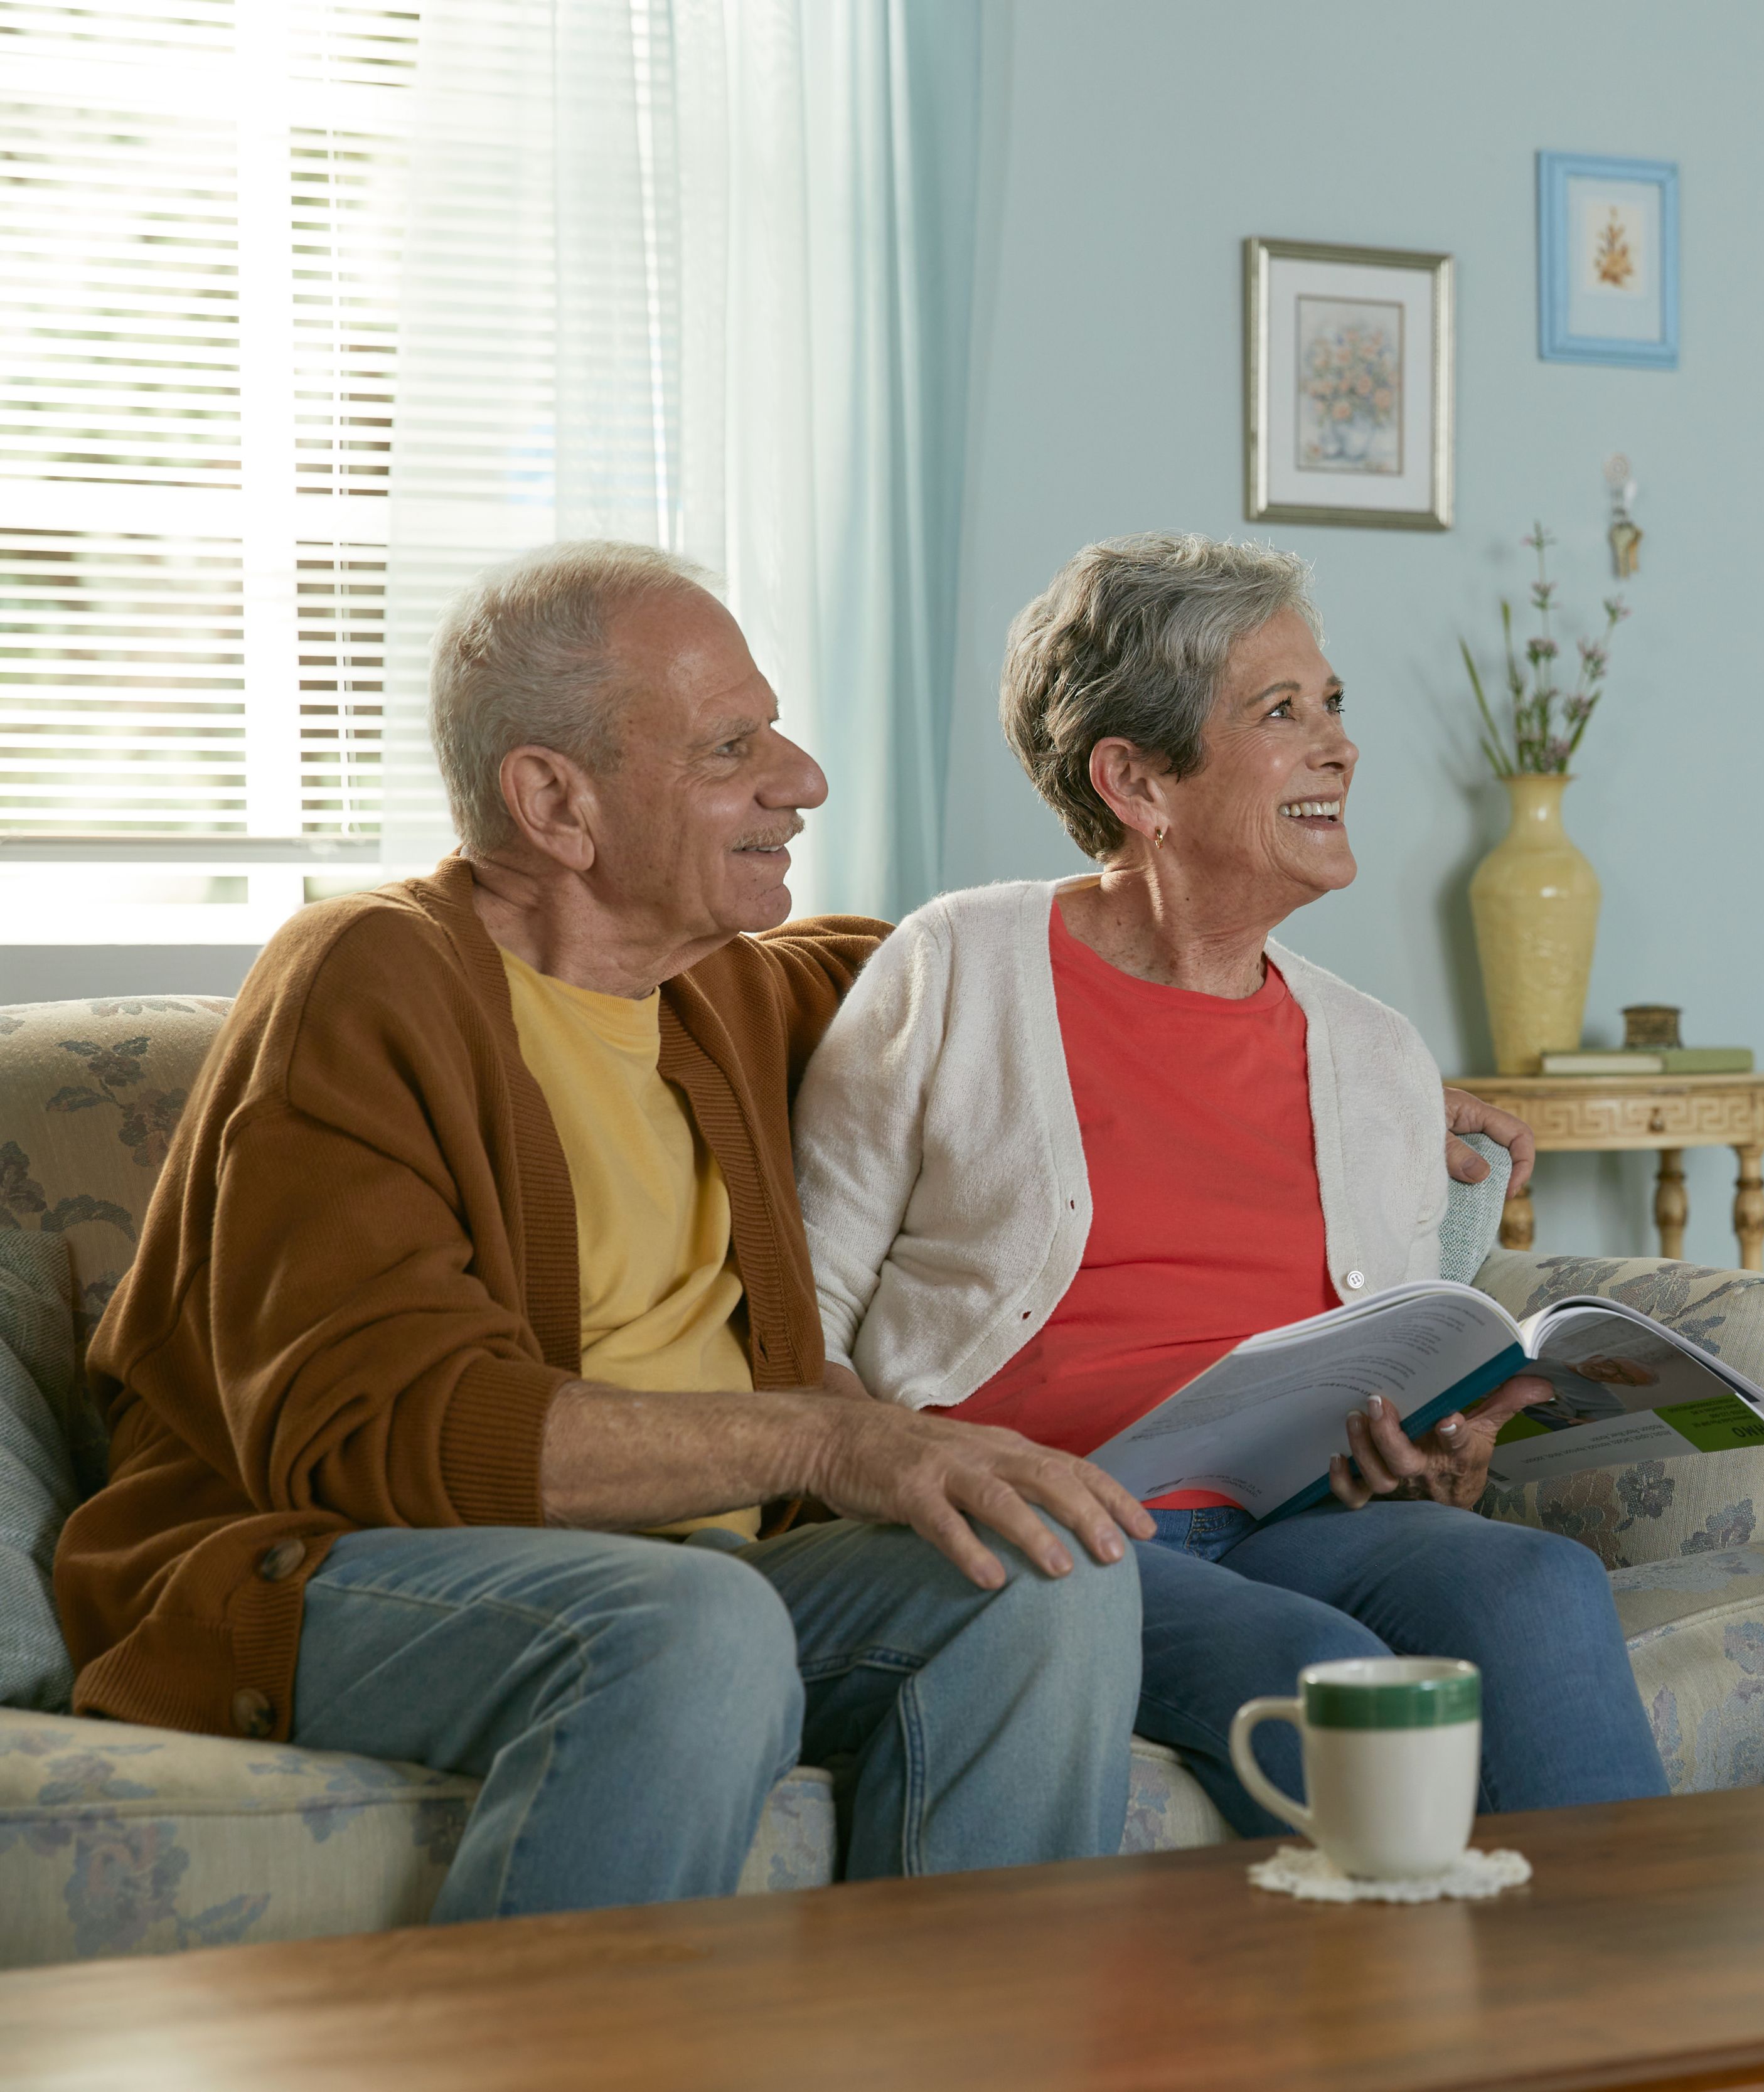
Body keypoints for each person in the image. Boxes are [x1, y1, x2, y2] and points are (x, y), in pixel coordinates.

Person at [51, 542, 1160, 1917]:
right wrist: (826, 1434)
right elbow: (381, 1430)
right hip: (321, 1569)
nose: (802, 777)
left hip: (704, 1575)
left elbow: (1067, 984)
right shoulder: (368, 975)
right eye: (731, 746)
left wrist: (1400, 1102)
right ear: (554, 801)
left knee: (1046, 1573)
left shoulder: (743, 993)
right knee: (694, 1622)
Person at [794, 531, 1669, 1832]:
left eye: (1331, 706)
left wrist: (1432, 1447)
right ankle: (1393, 2019)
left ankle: (1632, 2015)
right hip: (1041, 1531)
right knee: (1314, 1674)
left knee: (1532, 1583)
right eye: (1281, 712)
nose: (1338, 746)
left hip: (1283, 1518)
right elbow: (795, 1311)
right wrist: (899, 1454)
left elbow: (1386, 1358)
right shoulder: (957, 968)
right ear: (1134, 779)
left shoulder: (1371, 1051)